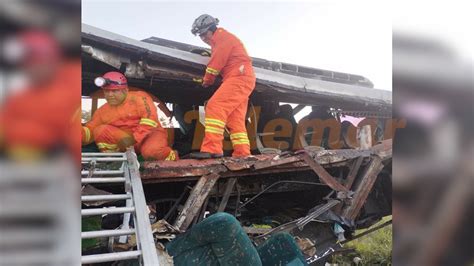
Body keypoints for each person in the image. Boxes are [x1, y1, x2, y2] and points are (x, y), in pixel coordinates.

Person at [189, 14, 256, 159]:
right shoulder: (222, 40)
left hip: (239, 76)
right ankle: (242, 153)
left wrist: (207, 80)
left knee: (215, 106)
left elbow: (215, 64)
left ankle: (212, 148)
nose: (203, 38)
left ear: (212, 29)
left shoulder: (222, 38)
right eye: (200, 36)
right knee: (235, 119)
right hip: (242, 77)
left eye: (204, 34)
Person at [81, 71, 177, 161]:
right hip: (127, 142)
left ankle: (172, 157)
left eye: (114, 91)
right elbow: (90, 131)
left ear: (125, 90)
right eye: (106, 91)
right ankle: (113, 161)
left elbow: (150, 119)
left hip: (151, 135)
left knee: (151, 152)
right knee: (100, 130)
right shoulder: (102, 111)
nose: (110, 95)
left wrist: (134, 138)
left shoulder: (139, 97)